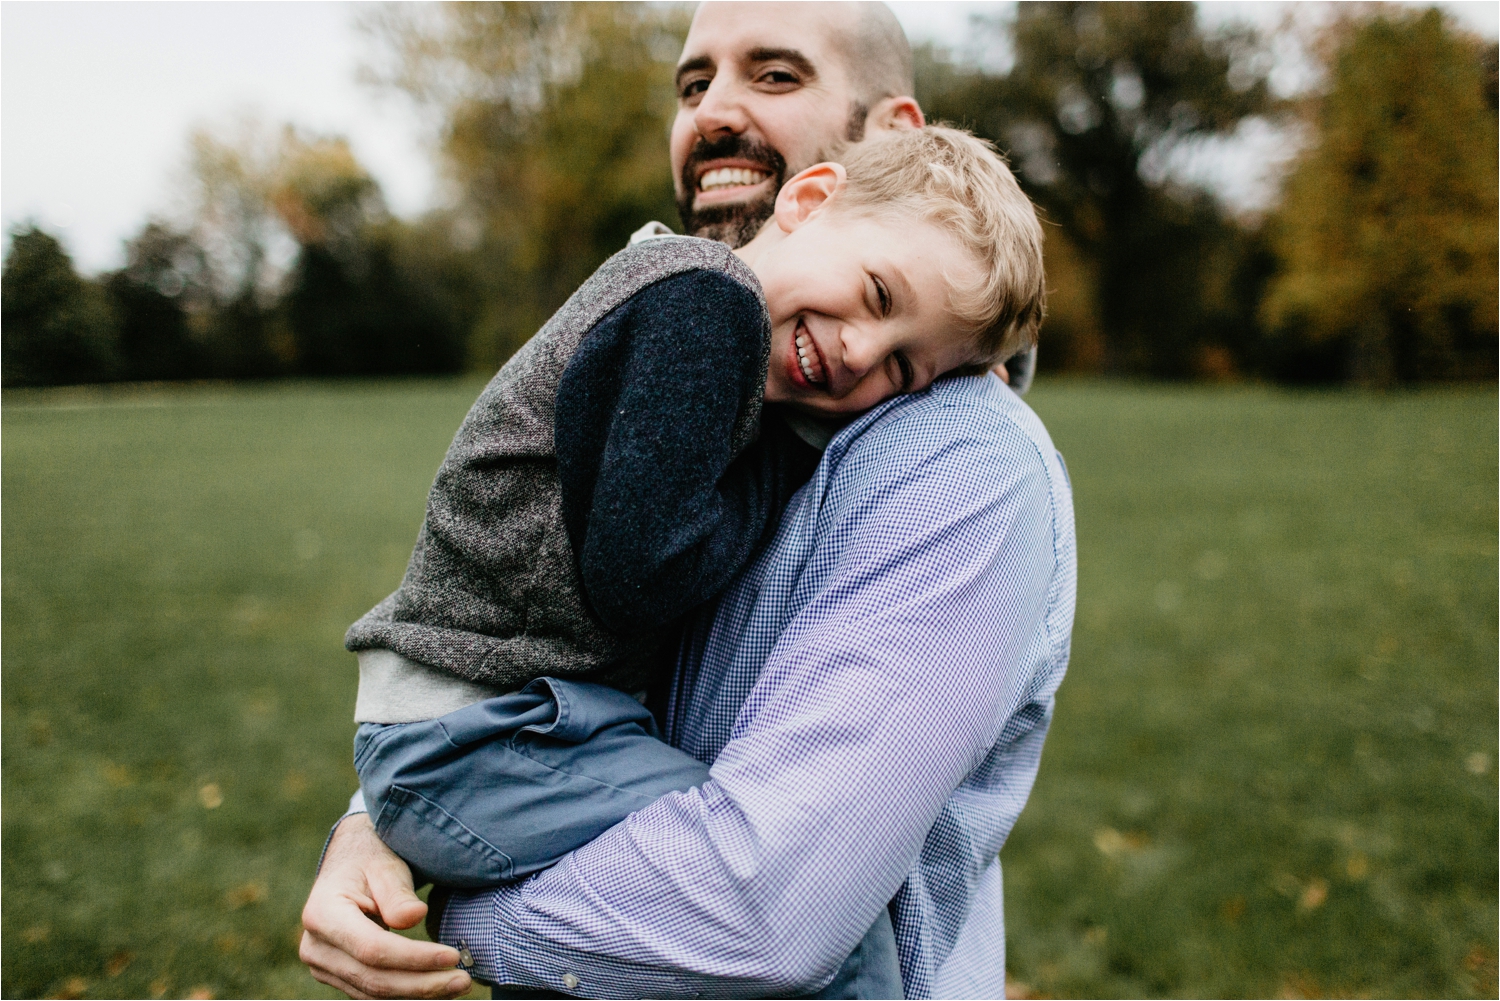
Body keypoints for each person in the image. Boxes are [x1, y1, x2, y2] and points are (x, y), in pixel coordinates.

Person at [300, 4, 1075, 998]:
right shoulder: (711, 345)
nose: (714, 113)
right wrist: (370, 825)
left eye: (776, 76)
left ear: (893, 138)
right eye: (693, 84)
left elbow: (764, 909)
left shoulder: (952, 455)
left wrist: (451, 905)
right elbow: (527, 614)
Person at [349, 124, 1044, 898]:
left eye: (901, 366)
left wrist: (999, 354)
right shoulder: (709, 305)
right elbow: (644, 574)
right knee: (790, 895)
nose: (859, 352)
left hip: (514, 719)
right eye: (879, 295)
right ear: (809, 199)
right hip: (483, 729)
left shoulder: (712, 308)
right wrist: (790, 457)